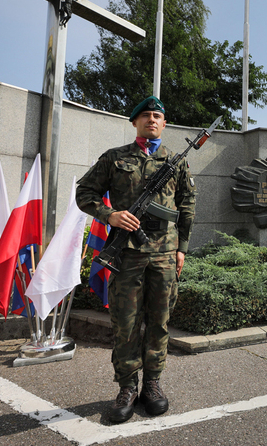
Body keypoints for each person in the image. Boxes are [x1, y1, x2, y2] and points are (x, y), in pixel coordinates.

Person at [76, 96, 196, 423]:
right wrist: (110, 215)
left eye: (158, 115)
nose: (152, 119)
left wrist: (181, 247)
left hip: (164, 256)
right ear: (134, 122)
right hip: (126, 255)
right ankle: (128, 386)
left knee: (158, 320)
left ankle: (153, 384)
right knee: (125, 323)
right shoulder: (114, 158)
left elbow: (186, 207)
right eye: (145, 115)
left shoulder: (176, 161)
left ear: (165, 123)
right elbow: (84, 193)